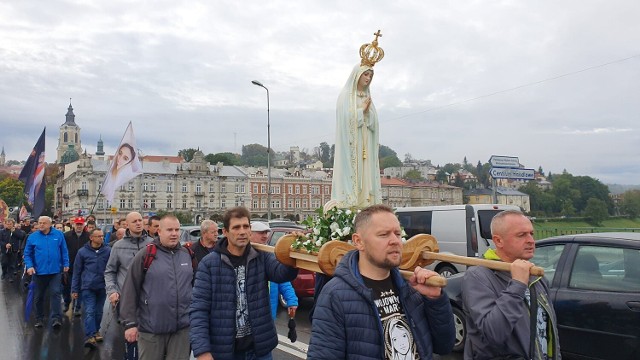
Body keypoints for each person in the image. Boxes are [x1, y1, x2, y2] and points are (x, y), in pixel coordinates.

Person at [307, 204, 455, 359]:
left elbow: (444, 345)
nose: (395, 241)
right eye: (384, 235)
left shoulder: (412, 288)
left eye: (397, 234)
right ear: (359, 242)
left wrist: (435, 300)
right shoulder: (335, 295)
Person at [190, 206, 298, 360]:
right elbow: (198, 309)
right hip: (225, 351)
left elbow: (282, 273)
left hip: (259, 350)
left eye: (246, 226)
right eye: (236, 227)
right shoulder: (209, 264)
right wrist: (202, 351)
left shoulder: (262, 257)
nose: (242, 231)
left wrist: (294, 250)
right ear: (225, 232)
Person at [462, 210, 561, 360]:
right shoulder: (478, 276)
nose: (531, 240)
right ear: (498, 241)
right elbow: (493, 333)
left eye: (531, 234)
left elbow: (549, 331)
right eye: (521, 235)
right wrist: (517, 285)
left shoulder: (536, 276)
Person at [120, 215, 193, 359]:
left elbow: (195, 288)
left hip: (182, 329)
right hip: (151, 329)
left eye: (177, 230)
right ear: (159, 231)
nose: (174, 234)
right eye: (169, 230)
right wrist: (130, 324)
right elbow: (130, 289)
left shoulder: (187, 255)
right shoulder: (146, 255)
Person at [331, 32, 384, 208]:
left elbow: (374, 123)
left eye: (370, 76)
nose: (368, 79)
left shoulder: (368, 96)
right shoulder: (346, 95)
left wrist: (369, 115)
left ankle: (367, 202)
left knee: (367, 174)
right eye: (365, 75)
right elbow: (345, 120)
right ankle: (350, 203)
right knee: (355, 175)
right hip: (352, 147)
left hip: (366, 143)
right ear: (357, 75)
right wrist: (362, 111)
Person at [23, 216, 70, 329]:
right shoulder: (33, 237)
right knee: (39, 296)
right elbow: (27, 254)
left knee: (55, 293)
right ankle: (39, 318)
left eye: (44, 223)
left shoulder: (58, 235)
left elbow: (64, 250)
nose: (41, 225)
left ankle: (56, 318)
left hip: (55, 271)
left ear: (50, 224)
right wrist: (29, 266)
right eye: (39, 223)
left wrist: (66, 263)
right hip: (39, 272)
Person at [250, 221, 298, 319]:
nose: (265, 236)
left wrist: (291, 300)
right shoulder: (243, 255)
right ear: (250, 234)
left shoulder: (270, 254)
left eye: (266, 233)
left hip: (269, 314)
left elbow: (283, 281)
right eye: (261, 233)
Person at [71, 229, 110, 349]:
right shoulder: (82, 252)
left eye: (102, 236)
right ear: (91, 238)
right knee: (89, 311)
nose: (101, 238)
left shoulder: (108, 251)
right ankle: (89, 336)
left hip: (102, 286)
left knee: (99, 312)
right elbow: (77, 271)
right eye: (98, 236)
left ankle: (96, 330)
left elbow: (112, 268)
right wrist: (75, 289)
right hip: (88, 286)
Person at [63, 216, 89, 315]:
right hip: (69, 265)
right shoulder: (67, 235)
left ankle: (78, 306)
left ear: (83, 225)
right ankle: (67, 303)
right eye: (77, 224)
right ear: (74, 225)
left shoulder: (88, 236)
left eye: (80, 224)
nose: (79, 226)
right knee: (67, 287)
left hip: (83, 266)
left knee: (80, 286)